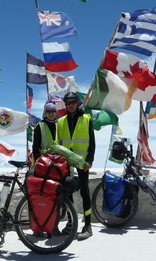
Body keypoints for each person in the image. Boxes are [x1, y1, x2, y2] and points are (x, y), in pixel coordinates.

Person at [56, 92, 95, 241]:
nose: (71, 105)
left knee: (84, 192)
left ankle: (88, 226)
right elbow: (58, 143)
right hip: (66, 162)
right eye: (68, 103)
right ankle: (71, 224)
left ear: (77, 103)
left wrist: (90, 160)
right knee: (67, 193)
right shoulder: (61, 122)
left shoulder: (87, 119)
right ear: (65, 105)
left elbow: (92, 142)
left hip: (82, 162)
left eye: (73, 102)